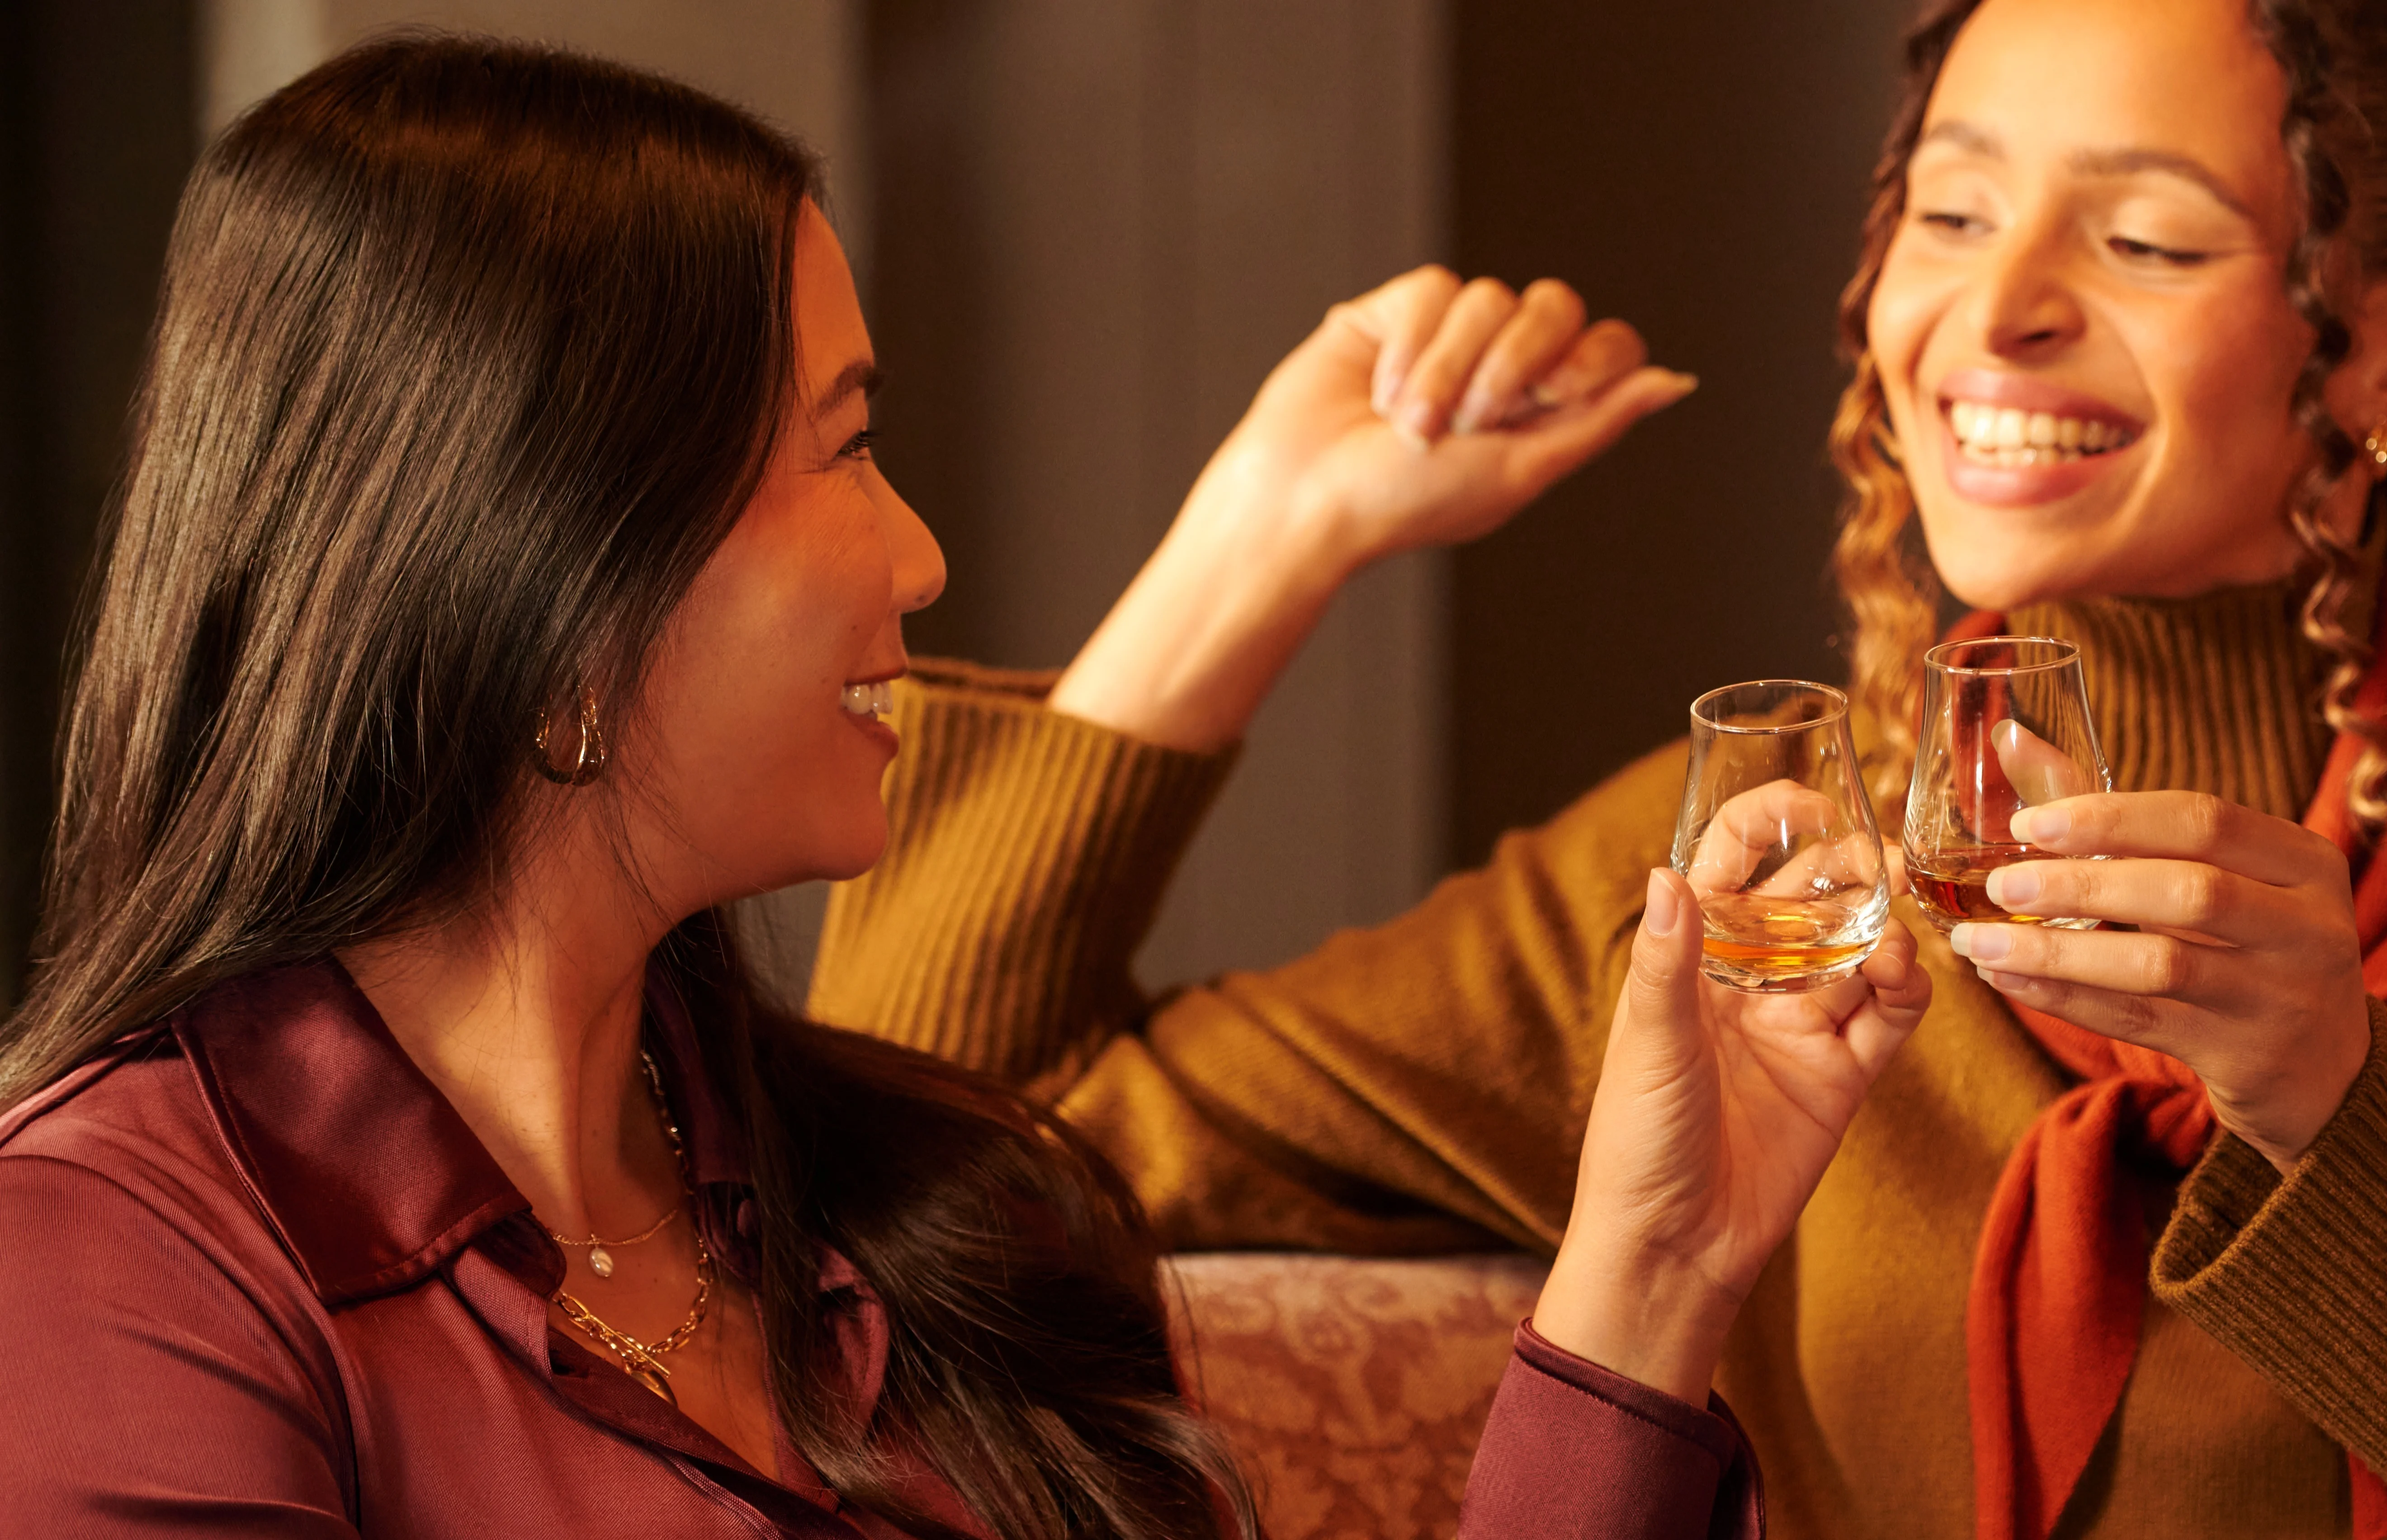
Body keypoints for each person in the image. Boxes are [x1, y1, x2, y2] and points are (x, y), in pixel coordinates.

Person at [812, 0, 2387, 1536]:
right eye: (1947, 206)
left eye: (2144, 234)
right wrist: (1257, 541)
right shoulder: (1753, 890)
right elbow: (909, 1149)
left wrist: (2347, 1122)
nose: (1990, 312)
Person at [0, 36, 1930, 1540]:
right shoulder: (125, 1260)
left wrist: (1654, 1269)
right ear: (560, 564)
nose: (921, 555)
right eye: (847, 447)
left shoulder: (914, 1212)